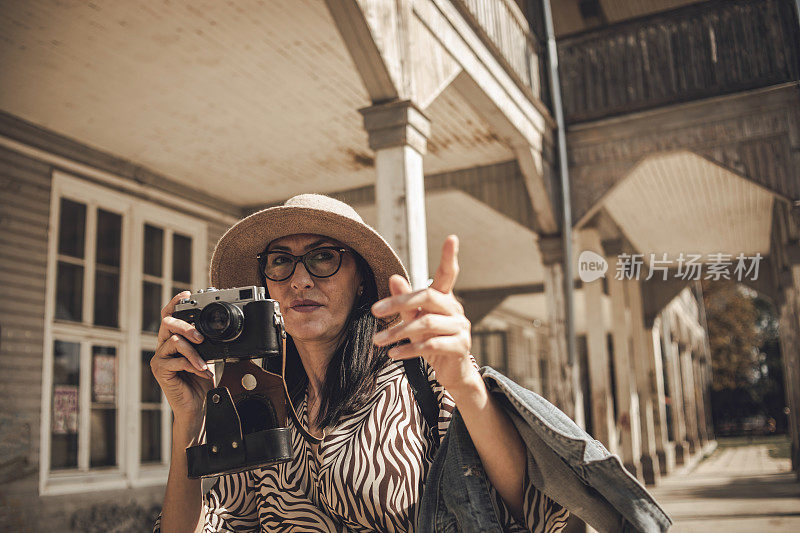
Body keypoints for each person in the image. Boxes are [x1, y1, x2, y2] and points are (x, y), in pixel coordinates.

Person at [151, 194, 569, 532]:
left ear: (361, 279)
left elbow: (531, 512)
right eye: (280, 261)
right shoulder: (257, 400)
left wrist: (465, 384)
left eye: (323, 257)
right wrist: (189, 419)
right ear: (264, 287)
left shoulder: (419, 374)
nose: (299, 280)